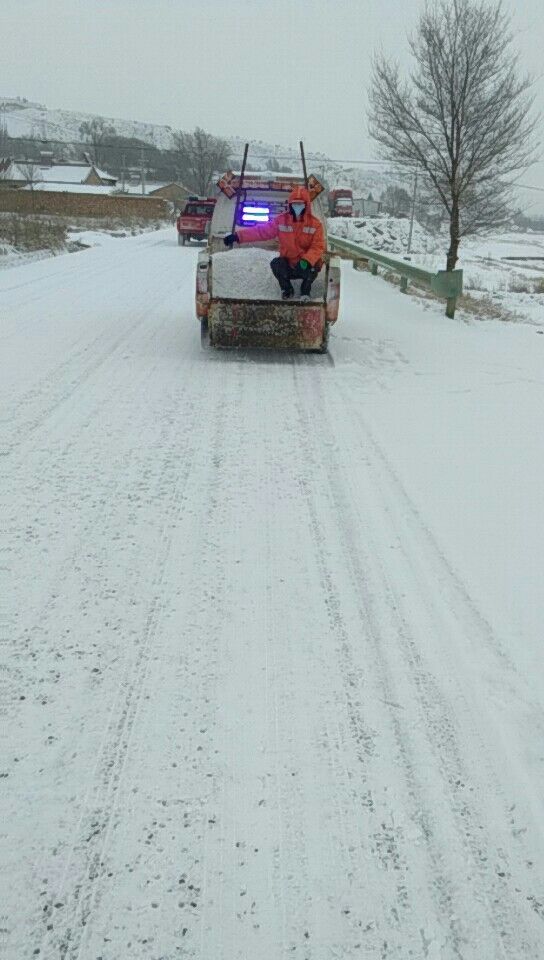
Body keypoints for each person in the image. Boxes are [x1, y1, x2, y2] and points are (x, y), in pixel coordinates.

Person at [223, 185, 325, 300]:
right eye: (295, 204)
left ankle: (305, 290)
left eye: (300, 204)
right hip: (289, 263)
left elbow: (318, 246)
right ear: (290, 205)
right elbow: (261, 232)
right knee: (276, 263)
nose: (297, 207)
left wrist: (307, 260)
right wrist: (237, 236)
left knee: (317, 264)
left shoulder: (315, 224)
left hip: (305, 264)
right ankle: (287, 289)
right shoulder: (281, 220)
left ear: (306, 205)